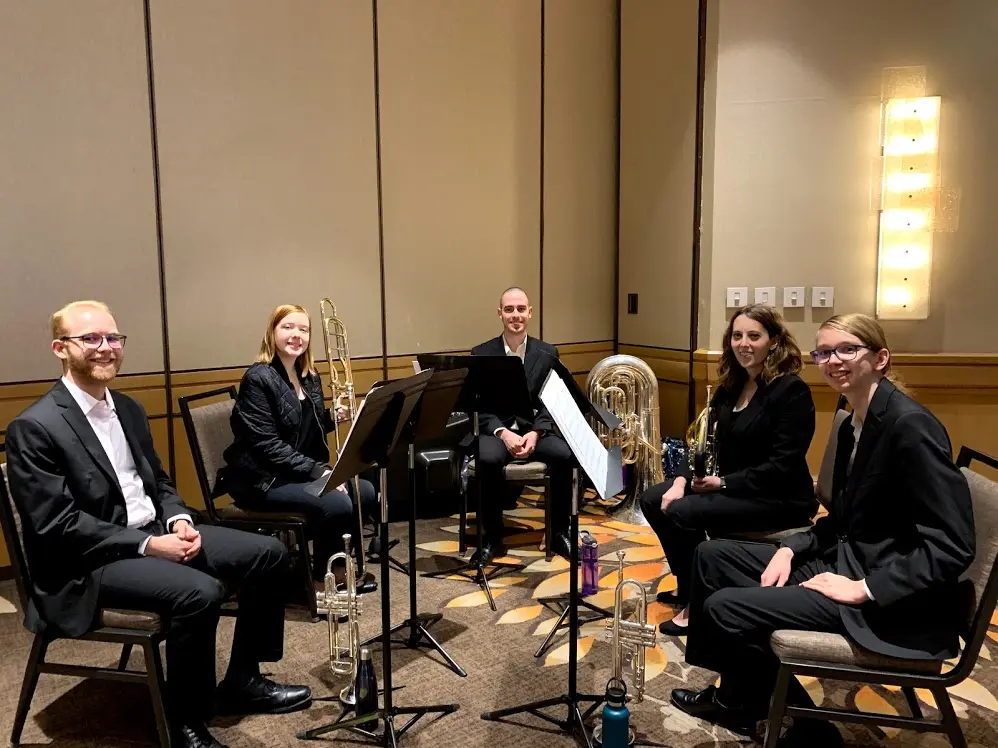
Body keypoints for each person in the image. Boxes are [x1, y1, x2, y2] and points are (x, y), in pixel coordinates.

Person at [5, 300, 311, 748]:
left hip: (151, 530)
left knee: (268, 553)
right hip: (88, 559)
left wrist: (178, 518)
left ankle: (243, 680)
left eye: (112, 338)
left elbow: (159, 481)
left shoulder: (127, 408)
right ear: (60, 348)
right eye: (90, 339)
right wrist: (150, 547)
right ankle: (185, 721)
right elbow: (58, 524)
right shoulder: (35, 426)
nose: (105, 348)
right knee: (199, 592)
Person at [669, 313, 976, 746]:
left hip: (893, 603)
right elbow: (847, 521)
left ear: (881, 358)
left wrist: (866, 588)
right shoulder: (857, 418)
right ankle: (740, 699)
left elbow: (952, 545)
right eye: (824, 352)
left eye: (847, 349)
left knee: (725, 608)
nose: (833, 360)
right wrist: (793, 548)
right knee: (712, 556)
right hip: (850, 559)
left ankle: (810, 728)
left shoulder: (910, 426)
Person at [639, 304, 817, 634]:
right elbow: (700, 441)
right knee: (653, 499)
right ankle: (687, 583)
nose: (743, 343)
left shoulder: (790, 391)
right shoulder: (730, 386)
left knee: (683, 512)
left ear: (774, 341)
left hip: (777, 497)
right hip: (734, 486)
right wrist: (680, 480)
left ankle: (699, 602)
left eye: (754, 336)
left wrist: (721, 483)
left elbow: (781, 467)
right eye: (737, 336)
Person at [220, 304, 378, 594]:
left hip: (296, 472)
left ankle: (339, 568)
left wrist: (332, 417)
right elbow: (267, 444)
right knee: (337, 503)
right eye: (288, 327)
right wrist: (319, 471)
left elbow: (305, 425)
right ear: (272, 333)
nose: (296, 335)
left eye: (303, 329)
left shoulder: (309, 375)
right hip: (263, 479)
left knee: (364, 491)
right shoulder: (259, 378)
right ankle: (321, 581)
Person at [468, 287, 574, 563]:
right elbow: (478, 406)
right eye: (509, 309)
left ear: (530, 312)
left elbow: (552, 402)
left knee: (564, 455)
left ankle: (558, 533)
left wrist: (536, 433)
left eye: (520, 309)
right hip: (498, 429)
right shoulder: (481, 353)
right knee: (487, 459)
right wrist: (503, 434)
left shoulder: (548, 352)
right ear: (500, 313)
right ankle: (492, 538)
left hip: (533, 429)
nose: (515, 315)